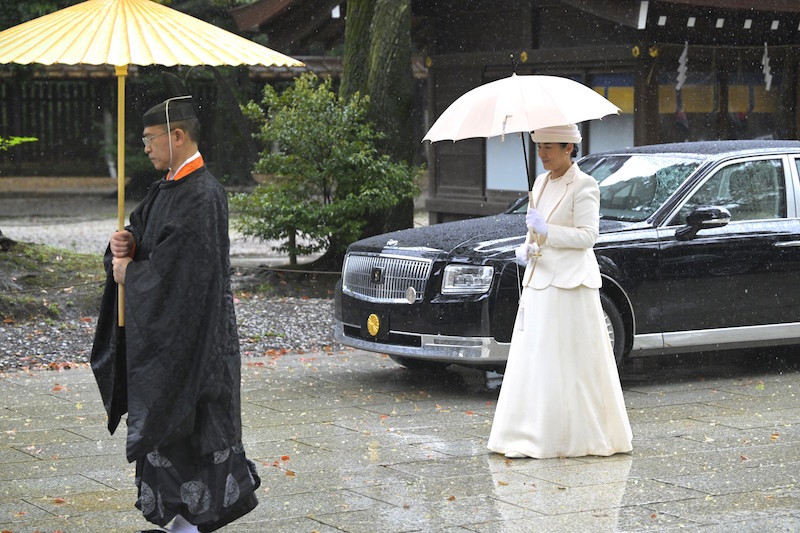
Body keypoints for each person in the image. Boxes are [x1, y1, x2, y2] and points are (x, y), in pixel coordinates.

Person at [91, 96, 260, 532]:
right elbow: (146, 237)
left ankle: (190, 525)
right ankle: (177, 523)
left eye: (149, 139)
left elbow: (182, 279)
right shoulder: (167, 187)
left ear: (177, 136)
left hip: (198, 341)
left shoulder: (203, 194)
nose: (144, 148)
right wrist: (124, 243)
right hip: (168, 342)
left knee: (193, 427)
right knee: (170, 433)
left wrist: (133, 274)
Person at [487, 123, 632, 459]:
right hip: (539, 280)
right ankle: (527, 432)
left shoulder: (585, 185)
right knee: (536, 357)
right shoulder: (539, 183)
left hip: (571, 284)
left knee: (569, 359)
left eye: (549, 147)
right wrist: (528, 246)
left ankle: (574, 436)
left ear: (569, 148)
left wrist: (548, 232)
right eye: (539, 147)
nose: (542, 154)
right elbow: (534, 230)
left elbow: (587, 237)